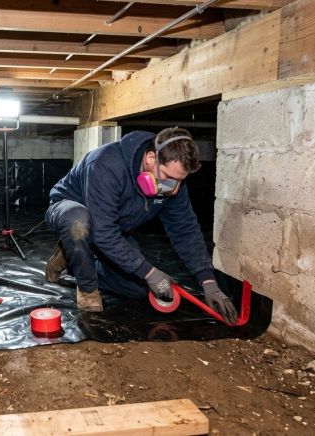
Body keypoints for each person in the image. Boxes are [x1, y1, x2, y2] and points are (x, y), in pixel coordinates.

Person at [44, 127, 237, 322]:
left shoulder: (172, 183)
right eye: (168, 177)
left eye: (180, 180)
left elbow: (185, 230)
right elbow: (103, 232)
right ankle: (86, 285)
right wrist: (149, 272)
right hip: (70, 211)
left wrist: (208, 281)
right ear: (151, 158)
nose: (173, 187)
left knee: (136, 289)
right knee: (78, 222)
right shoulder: (106, 164)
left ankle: (74, 255)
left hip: (112, 227)